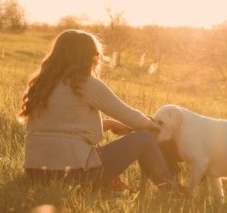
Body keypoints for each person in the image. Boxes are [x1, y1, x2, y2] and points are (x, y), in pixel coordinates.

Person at [18, 29, 182, 194]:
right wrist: (153, 124)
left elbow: (62, 128)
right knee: (144, 139)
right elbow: (130, 116)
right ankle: (172, 191)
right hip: (71, 173)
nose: (96, 59)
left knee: (96, 151)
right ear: (84, 56)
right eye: (95, 54)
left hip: (35, 173)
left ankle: (105, 185)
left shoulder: (41, 85)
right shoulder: (84, 83)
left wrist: (109, 124)